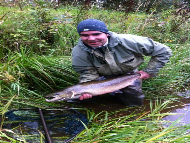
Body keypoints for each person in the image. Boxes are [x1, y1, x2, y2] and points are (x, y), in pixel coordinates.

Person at [71, 19, 172, 106]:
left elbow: (164, 51)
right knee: (82, 100)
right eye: (85, 35)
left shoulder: (128, 41)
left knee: (134, 100)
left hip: (129, 73)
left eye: (96, 34)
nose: (91, 39)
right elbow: (87, 72)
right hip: (101, 76)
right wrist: (86, 88)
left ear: (106, 33)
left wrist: (149, 71)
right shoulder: (78, 52)